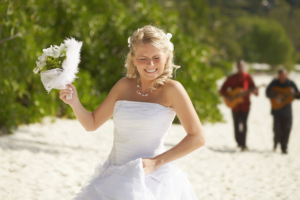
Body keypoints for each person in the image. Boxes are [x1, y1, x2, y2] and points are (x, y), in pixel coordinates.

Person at [59, 25, 205, 200]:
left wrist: (155, 162)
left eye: (156, 57)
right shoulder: (123, 86)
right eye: (143, 58)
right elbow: (91, 123)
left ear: (166, 58)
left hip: (152, 177)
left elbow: (197, 137)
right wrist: (74, 102)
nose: (150, 64)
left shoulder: (173, 89)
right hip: (113, 174)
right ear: (133, 59)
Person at [219, 60, 258, 151]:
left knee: (244, 124)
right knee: (236, 124)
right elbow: (222, 89)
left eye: (242, 66)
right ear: (237, 67)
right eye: (239, 66)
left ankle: (244, 144)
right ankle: (239, 143)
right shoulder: (232, 78)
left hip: (246, 105)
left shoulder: (248, 77)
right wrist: (228, 97)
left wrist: (254, 91)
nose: (241, 68)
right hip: (235, 105)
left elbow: (254, 89)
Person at [266, 68, 300, 154]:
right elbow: (267, 93)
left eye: (284, 76)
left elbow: (297, 95)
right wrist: (276, 95)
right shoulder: (274, 83)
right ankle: (275, 143)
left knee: (287, 129)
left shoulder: (291, 83)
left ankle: (284, 147)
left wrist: (294, 95)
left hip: (287, 111)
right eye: (281, 76)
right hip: (276, 110)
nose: (282, 78)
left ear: (286, 75)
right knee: (277, 129)